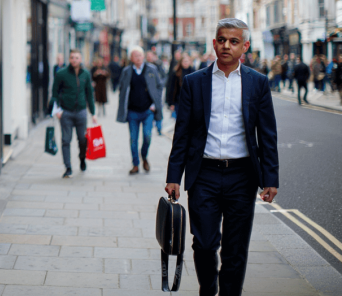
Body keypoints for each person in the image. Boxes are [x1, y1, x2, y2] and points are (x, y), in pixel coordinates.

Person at [165, 18, 278, 296]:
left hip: (242, 176)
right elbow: (183, 133)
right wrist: (173, 176)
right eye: (221, 40)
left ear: (245, 46)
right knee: (203, 244)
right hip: (203, 174)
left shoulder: (258, 83)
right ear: (214, 43)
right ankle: (209, 288)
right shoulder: (194, 82)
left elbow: (267, 135)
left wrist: (270, 178)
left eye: (234, 41)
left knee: (236, 247)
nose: (226, 45)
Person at [50, 50, 98, 178]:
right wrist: (57, 111)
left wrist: (93, 113)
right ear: (69, 59)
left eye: (77, 57)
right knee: (66, 140)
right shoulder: (61, 74)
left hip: (81, 112)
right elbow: (54, 93)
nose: (74, 60)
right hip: (66, 112)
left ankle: (82, 159)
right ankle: (68, 167)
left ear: (81, 59)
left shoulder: (86, 74)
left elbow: (89, 94)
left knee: (82, 139)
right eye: (72, 57)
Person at [116, 47, 164, 175]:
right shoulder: (127, 71)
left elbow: (159, 86)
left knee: (147, 136)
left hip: (148, 111)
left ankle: (144, 156)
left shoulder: (152, 69)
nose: (137, 58)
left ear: (143, 57)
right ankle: (135, 164)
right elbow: (122, 88)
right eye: (135, 56)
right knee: (133, 139)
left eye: (140, 55)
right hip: (132, 111)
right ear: (131, 58)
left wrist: (155, 104)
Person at [167, 53, 195, 118]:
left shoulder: (194, 72)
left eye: (187, 61)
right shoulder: (176, 73)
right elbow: (172, 88)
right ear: (181, 62)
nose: (185, 63)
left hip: (190, 102)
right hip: (178, 101)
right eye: (184, 61)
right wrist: (171, 103)